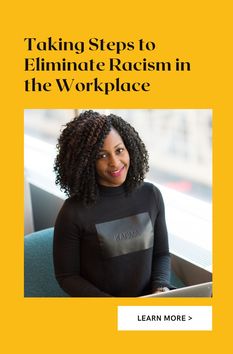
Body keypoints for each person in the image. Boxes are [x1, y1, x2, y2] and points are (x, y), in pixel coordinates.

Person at [53, 110, 171, 297]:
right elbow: (67, 276)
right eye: (102, 155)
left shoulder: (151, 195)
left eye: (119, 150)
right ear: (86, 161)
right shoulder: (73, 212)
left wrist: (161, 289)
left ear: (129, 148)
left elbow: (161, 254)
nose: (115, 163)